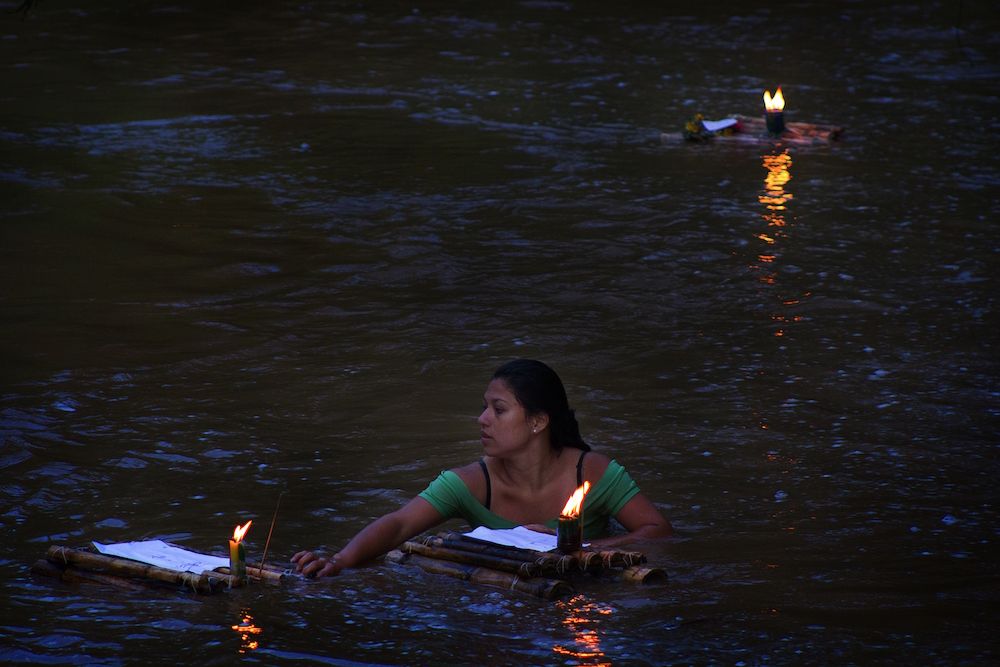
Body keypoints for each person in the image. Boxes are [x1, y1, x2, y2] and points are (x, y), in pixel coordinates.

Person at [292, 359, 673, 577]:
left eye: (499, 409)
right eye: (484, 406)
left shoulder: (592, 473)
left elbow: (659, 532)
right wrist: (338, 560)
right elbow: (399, 524)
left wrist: (577, 548)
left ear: (539, 422)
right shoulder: (471, 483)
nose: (482, 419)